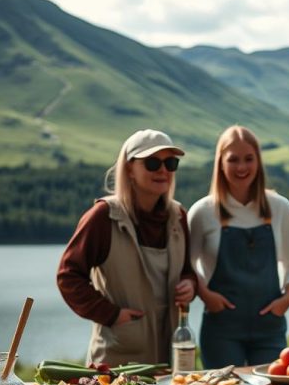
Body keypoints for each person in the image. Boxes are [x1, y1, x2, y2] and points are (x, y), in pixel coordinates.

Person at [57, 129, 197, 366]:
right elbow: (68, 276)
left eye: (171, 163)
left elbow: (187, 270)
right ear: (129, 169)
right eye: (152, 163)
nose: (163, 170)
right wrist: (111, 315)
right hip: (118, 356)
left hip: (170, 355)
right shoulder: (103, 216)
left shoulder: (178, 216)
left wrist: (190, 284)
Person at [188, 126, 289, 368]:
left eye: (249, 159)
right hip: (221, 330)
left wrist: (288, 296)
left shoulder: (280, 207)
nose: (242, 167)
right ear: (220, 163)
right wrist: (206, 295)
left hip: (270, 329)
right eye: (233, 160)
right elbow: (186, 265)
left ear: (258, 162)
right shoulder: (202, 211)